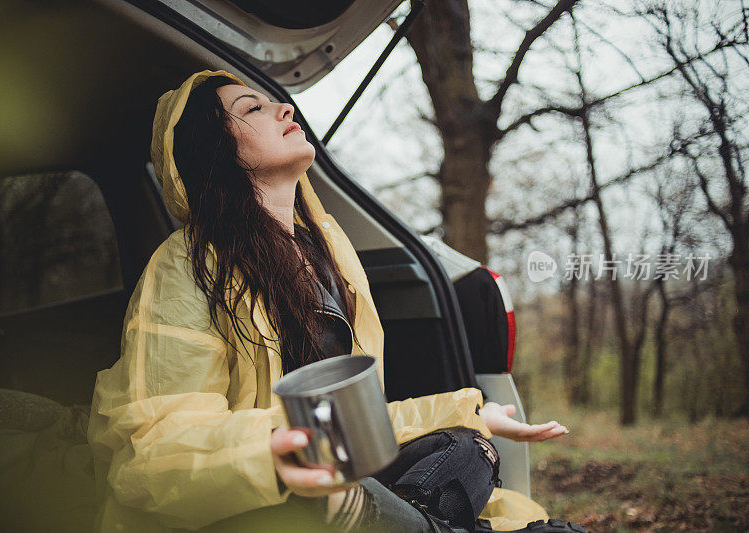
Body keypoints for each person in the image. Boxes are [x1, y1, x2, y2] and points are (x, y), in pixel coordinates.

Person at [87, 69, 577, 533]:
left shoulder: (324, 251)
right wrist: (270, 456)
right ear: (214, 147)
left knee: (468, 446)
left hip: (342, 481)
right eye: (252, 108)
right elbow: (152, 443)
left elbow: (354, 424)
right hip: (256, 493)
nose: (282, 107)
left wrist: (472, 412)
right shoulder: (187, 263)